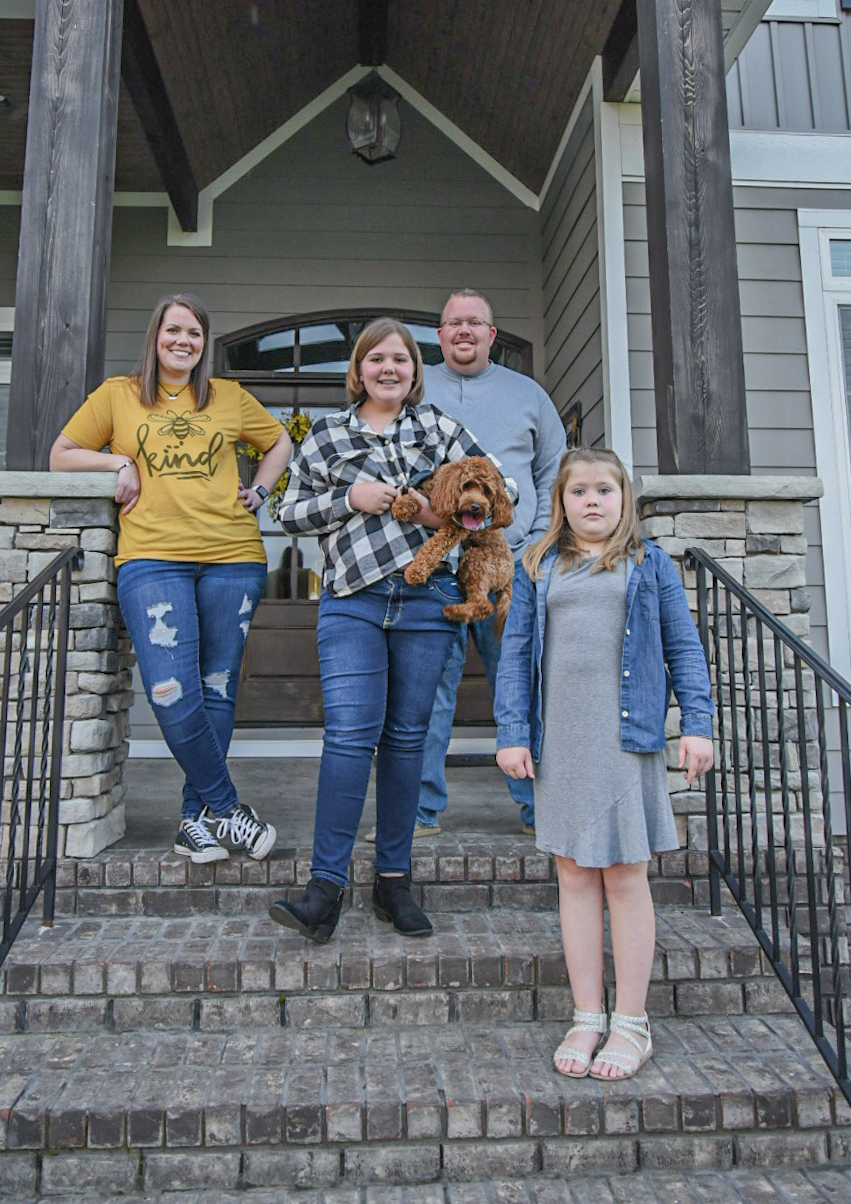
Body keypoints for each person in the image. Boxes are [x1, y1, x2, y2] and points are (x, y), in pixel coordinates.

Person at [269, 317, 514, 944]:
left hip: (427, 602)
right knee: (350, 736)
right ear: (358, 370)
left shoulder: (438, 428)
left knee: (407, 740)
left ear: (414, 371)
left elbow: (501, 486)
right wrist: (350, 499)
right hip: (352, 600)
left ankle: (394, 882)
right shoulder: (326, 434)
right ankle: (324, 889)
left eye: (400, 359)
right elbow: (288, 512)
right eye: (376, 358)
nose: (388, 368)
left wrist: (444, 511)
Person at [494, 447, 714, 1080]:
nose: (592, 500)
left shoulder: (649, 564)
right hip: (561, 741)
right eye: (578, 491)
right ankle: (587, 1015)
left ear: (625, 499)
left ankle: (632, 1023)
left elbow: (683, 649)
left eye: (604, 490)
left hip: (626, 740)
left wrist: (697, 725)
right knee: (573, 873)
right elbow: (515, 656)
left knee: (623, 874)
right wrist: (512, 733)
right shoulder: (537, 565)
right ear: (561, 502)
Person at [50, 294, 291, 865]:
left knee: (217, 688)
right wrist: (118, 462)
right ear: (155, 336)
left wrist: (260, 490)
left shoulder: (228, 396)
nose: (183, 341)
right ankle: (227, 808)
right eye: (173, 330)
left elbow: (280, 440)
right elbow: (62, 453)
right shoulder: (118, 394)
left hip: (233, 556)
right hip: (152, 559)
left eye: (194, 333)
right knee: (170, 690)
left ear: (204, 343)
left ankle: (193, 821)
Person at [410, 288, 565, 837]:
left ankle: (540, 811)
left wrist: (540, 540)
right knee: (429, 693)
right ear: (440, 334)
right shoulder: (416, 389)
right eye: (454, 322)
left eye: (475, 322)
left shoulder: (528, 395)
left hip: (512, 568)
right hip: (438, 572)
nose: (464, 331)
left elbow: (554, 471)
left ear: (491, 335)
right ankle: (420, 812)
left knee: (518, 684)